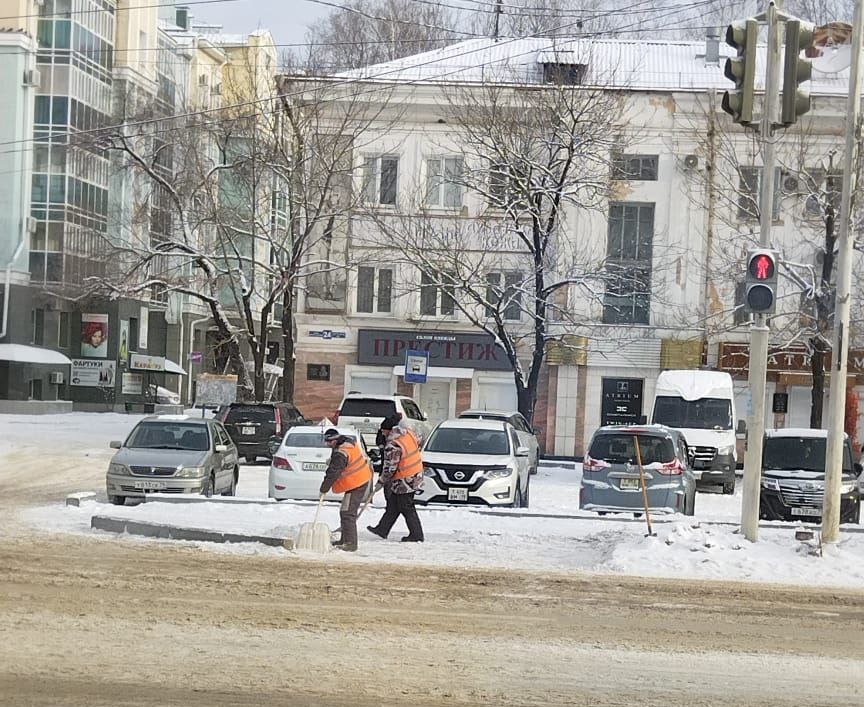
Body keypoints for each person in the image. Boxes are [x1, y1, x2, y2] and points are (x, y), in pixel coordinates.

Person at [367, 415, 425, 542]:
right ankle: (382, 529)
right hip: (416, 475)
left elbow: (390, 467)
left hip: (405, 479)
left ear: (389, 430)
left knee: (406, 507)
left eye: (383, 430)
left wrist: (382, 481)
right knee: (393, 504)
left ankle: (416, 535)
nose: (382, 433)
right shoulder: (407, 434)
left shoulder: (393, 444)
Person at [319, 428, 373, 552]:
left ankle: (350, 543)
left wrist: (324, 488)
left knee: (347, 513)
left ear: (335, 440)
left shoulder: (341, 453)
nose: (327, 444)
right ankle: (345, 540)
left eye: (329, 441)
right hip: (360, 479)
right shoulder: (347, 443)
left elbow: (333, 473)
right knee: (346, 511)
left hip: (357, 483)